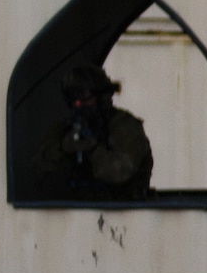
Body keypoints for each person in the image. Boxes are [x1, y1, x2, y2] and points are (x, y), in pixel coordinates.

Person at [38, 63, 153, 201]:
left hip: (122, 212)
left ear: (102, 98)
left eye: (85, 98)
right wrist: (62, 149)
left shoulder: (124, 126)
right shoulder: (64, 127)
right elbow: (38, 169)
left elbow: (121, 171)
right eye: (73, 99)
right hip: (73, 213)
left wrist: (92, 149)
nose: (78, 105)